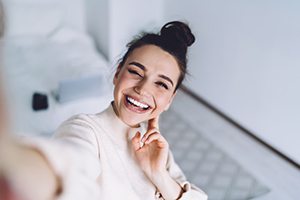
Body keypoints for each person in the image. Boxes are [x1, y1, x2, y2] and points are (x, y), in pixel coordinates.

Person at [0, 2, 208, 198]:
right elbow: (70, 165)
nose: (143, 89)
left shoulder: (156, 146)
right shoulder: (85, 130)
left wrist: (159, 175)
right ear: (117, 73)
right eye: (136, 72)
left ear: (170, 100)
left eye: (161, 84)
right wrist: (14, 162)